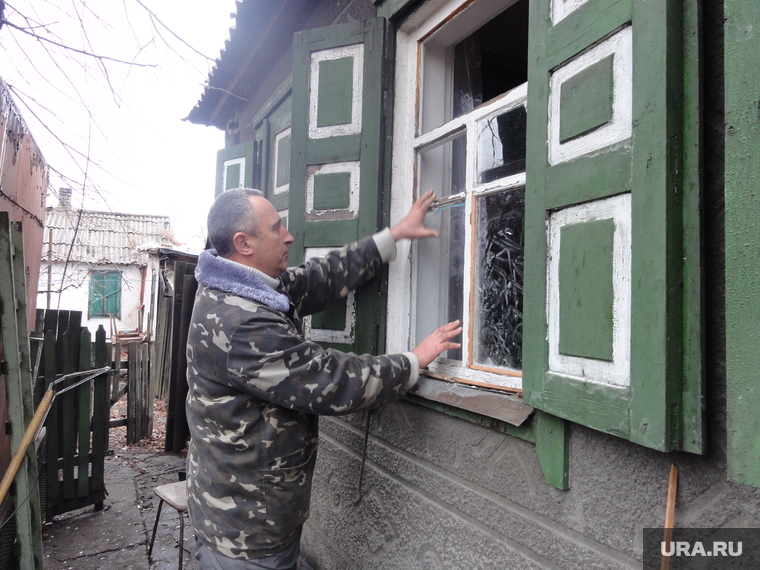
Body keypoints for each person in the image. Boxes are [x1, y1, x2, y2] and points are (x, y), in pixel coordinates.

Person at [186, 187, 461, 569]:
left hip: (241, 512)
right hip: (245, 534)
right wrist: (413, 361)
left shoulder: (237, 286)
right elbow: (331, 380)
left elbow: (317, 279)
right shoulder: (242, 324)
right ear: (243, 243)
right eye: (276, 228)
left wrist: (393, 236)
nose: (289, 236)